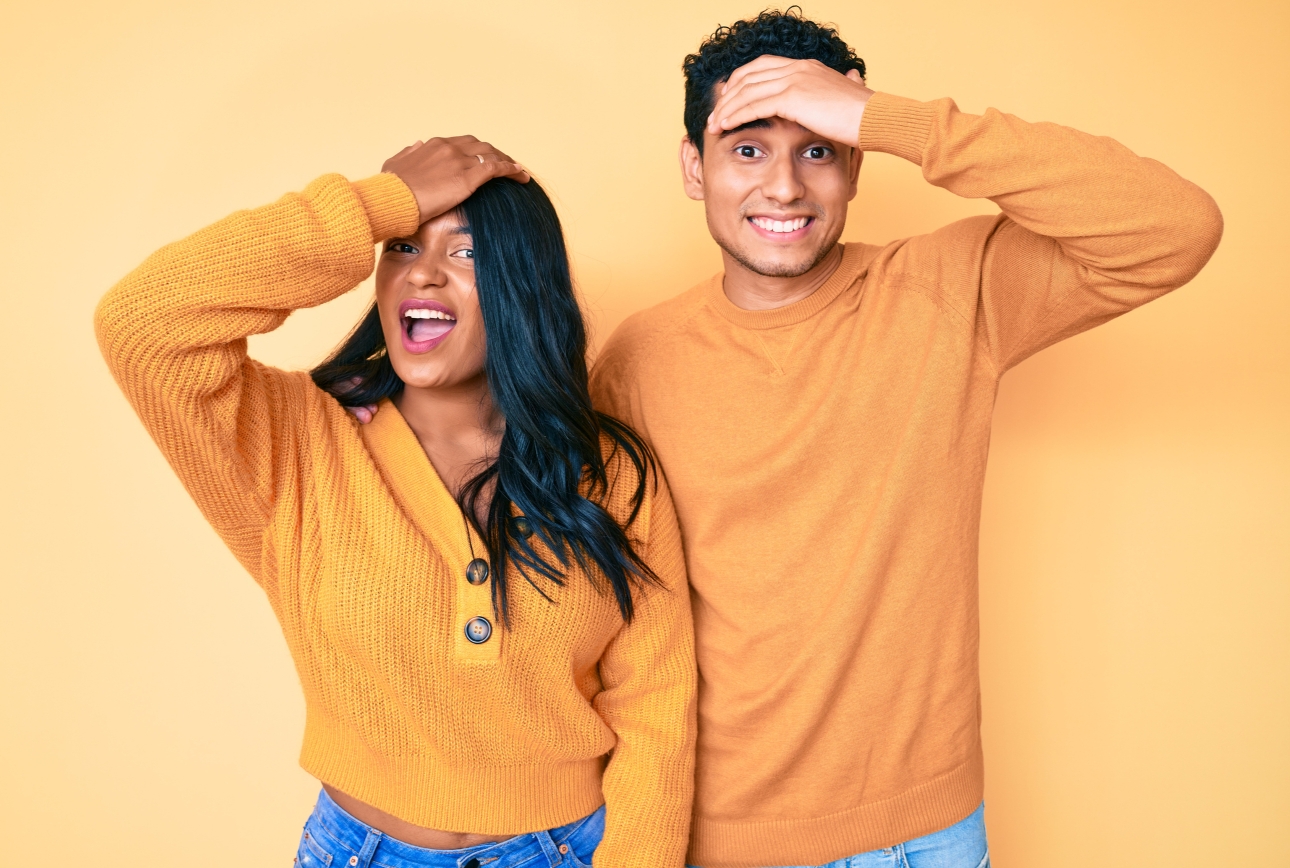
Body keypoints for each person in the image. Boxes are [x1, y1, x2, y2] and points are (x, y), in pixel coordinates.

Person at [585, 9, 1223, 868]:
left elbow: (1173, 226)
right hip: (725, 833)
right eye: (747, 148)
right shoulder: (637, 359)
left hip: (931, 832)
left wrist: (892, 119)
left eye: (817, 148)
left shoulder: (949, 291)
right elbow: (606, 609)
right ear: (694, 169)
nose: (783, 187)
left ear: (856, 166)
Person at [95, 136, 696, 868]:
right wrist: (376, 205)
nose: (426, 276)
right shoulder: (299, 441)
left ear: (522, 287)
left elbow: (656, 707)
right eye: (404, 248)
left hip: (567, 850)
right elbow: (142, 322)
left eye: (468, 254)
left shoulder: (608, 471)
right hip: (359, 850)